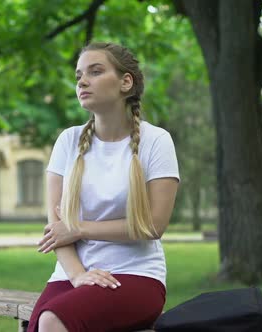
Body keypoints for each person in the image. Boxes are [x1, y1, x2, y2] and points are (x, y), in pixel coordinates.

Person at [28, 42, 180, 332]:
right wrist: (78, 276)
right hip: (69, 275)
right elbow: (56, 229)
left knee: (52, 321)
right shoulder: (68, 141)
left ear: (126, 82)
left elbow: (153, 226)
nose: (83, 81)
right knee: (36, 325)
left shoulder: (156, 141)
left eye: (95, 72)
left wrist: (80, 228)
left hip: (135, 276)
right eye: (78, 76)